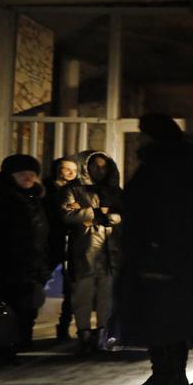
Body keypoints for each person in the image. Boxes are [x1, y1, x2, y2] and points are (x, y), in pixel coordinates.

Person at [115, 114, 193, 385]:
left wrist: (151, 250)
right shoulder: (173, 166)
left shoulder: (163, 168)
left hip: (160, 258)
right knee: (166, 320)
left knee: (161, 320)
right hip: (170, 257)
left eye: (143, 133)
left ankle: (169, 379)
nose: (139, 139)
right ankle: (167, 376)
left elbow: (162, 215)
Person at [0, 155, 50, 350]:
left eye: (31, 174)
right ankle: (4, 346)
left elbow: (41, 234)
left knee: (28, 307)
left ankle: (21, 343)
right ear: (9, 176)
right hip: (7, 264)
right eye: (21, 174)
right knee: (7, 307)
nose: (27, 178)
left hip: (31, 264)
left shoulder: (35, 199)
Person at [60, 151, 122, 353]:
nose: (100, 170)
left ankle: (104, 334)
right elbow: (67, 214)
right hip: (84, 247)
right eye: (95, 165)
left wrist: (106, 217)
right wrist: (96, 213)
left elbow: (123, 214)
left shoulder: (114, 191)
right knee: (83, 294)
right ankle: (84, 333)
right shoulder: (74, 188)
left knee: (108, 294)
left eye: (104, 166)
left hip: (110, 249)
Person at [44, 157, 79, 341]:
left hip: (71, 242)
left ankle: (64, 326)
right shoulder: (45, 191)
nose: (71, 173)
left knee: (71, 287)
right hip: (49, 242)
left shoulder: (78, 191)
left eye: (74, 169)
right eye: (66, 169)